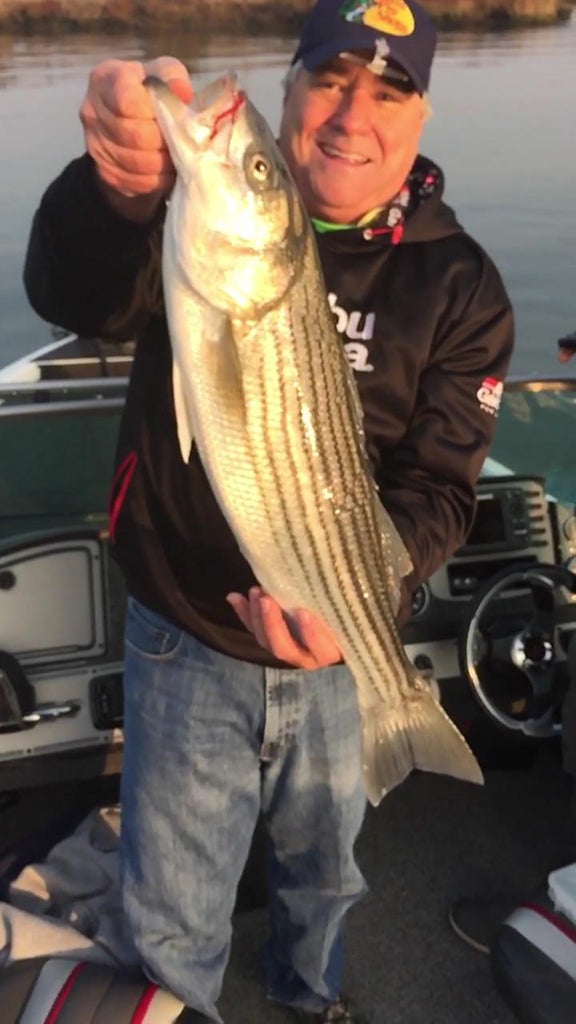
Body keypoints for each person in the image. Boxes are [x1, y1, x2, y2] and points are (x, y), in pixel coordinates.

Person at [23, 0, 514, 1020]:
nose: (351, 115)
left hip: (343, 642)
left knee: (324, 867)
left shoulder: (460, 284)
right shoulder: (185, 216)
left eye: (389, 91)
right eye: (331, 78)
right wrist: (116, 193)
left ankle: (311, 994)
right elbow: (72, 291)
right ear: (291, 87)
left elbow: (439, 486)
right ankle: (176, 1006)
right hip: (184, 633)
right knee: (173, 889)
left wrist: (359, 616)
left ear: (421, 117)